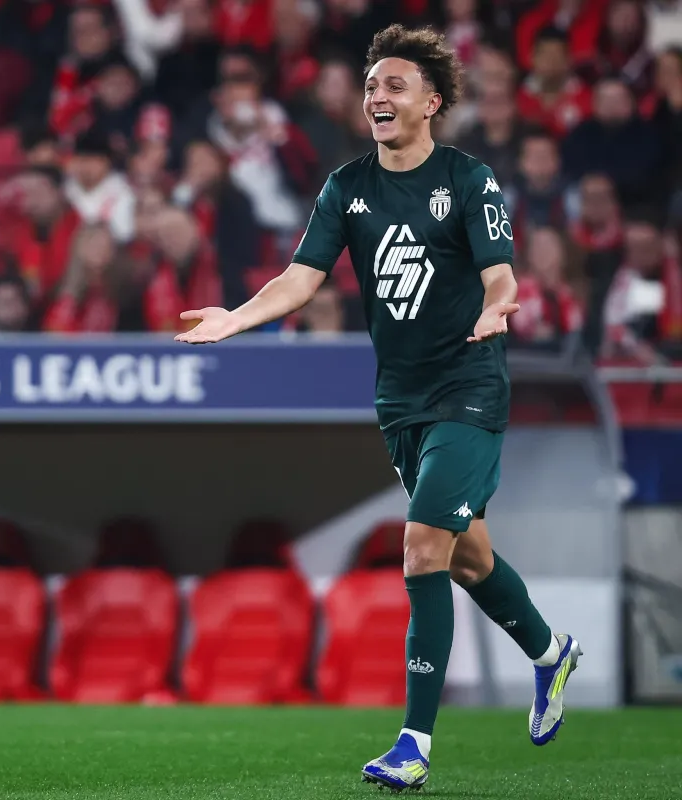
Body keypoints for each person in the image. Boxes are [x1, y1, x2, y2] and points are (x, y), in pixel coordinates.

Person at [174, 24, 581, 792]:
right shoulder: (347, 186)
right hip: (400, 398)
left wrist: (500, 302)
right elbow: (301, 279)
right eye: (370, 87)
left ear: (432, 102)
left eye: (394, 85)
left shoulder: (468, 179)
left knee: (422, 548)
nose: (377, 97)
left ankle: (413, 744)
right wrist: (238, 317)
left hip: (469, 384)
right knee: (469, 557)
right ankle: (550, 653)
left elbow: (499, 271)